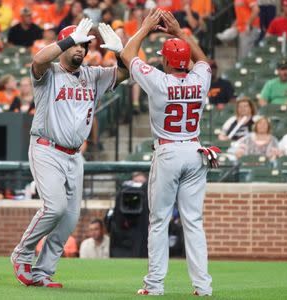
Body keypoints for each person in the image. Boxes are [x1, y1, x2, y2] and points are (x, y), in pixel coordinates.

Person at [10, 18, 129, 288]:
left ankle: (43, 272)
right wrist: (69, 38)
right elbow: (38, 59)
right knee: (55, 208)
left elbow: (123, 74)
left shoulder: (93, 75)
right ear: (64, 45)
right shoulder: (48, 72)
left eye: (84, 46)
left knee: (70, 218)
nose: (81, 50)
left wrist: (119, 53)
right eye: (76, 45)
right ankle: (22, 252)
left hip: (74, 155)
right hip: (47, 148)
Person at [120, 9, 215, 296]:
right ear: (184, 60)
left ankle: (155, 285)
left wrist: (145, 28)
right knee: (193, 222)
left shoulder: (159, 81)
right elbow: (204, 61)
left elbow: (127, 55)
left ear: (164, 59)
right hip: (195, 150)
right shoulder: (200, 78)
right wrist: (179, 33)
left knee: (159, 220)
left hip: (169, 151)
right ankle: (203, 287)